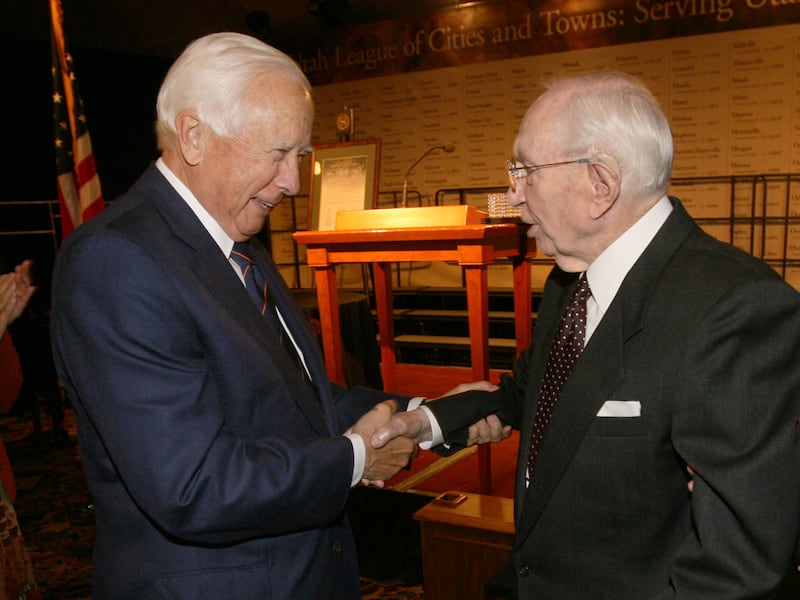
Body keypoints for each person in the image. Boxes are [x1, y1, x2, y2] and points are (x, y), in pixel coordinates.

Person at [373, 71, 800, 598]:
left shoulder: (735, 308)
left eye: (525, 171)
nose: (513, 195)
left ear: (600, 183)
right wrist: (427, 422)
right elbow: (531, 393)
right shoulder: (570, 282)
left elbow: (740, 567)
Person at [50, 32, 422, 600]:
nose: (293, 183)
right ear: (194, 136)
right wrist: (357, 456)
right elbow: (193, 487)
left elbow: (295, 405)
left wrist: (418, 415)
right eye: (275, 154)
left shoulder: (238, 246)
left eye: (297, 157)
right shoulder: (118, 261)